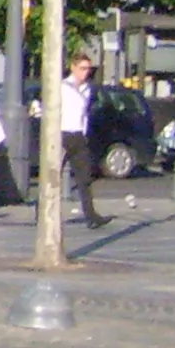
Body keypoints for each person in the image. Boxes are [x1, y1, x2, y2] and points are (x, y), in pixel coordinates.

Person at [59, 54, 105, 227]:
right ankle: (41, 213)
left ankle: (91, 216)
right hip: (62, 134)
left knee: (84, 177)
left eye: (88, 69)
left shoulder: (87, 89)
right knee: (53, 176)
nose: (85, 73)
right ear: (73, 67)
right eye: (82, 68)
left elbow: (84, 113)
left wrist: (83, 132)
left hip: (78, 135)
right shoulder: (62, 87)